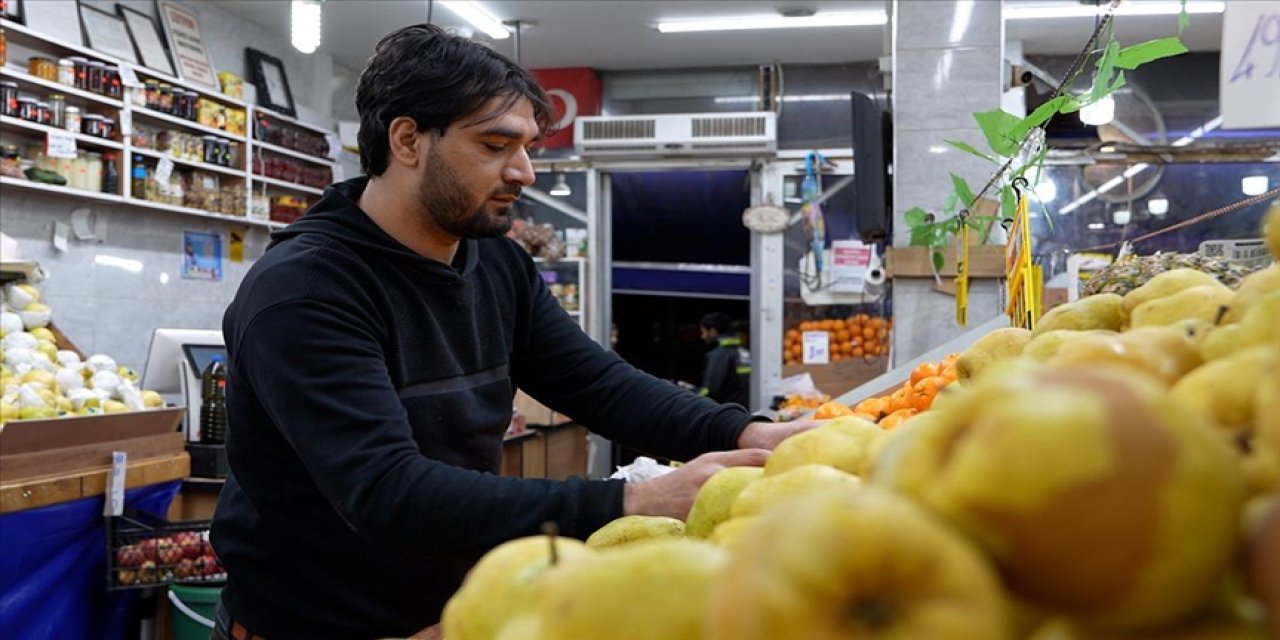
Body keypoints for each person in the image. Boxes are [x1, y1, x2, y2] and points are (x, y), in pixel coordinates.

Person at [209, 23, 809, 640]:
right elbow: (386, 490)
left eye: (527, 148)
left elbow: (598, 384)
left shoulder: (495, 262)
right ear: (409, 139)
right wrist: (633, 501)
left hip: (452, 612)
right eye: (496, 145)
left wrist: (749, 430)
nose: (524, 172)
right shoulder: (308, 288)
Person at [698, 312, 751, 407]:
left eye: (704, 332)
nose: (703, 337)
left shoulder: (719, 355)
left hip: (726, 412)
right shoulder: (744, 352)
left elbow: (710, 390)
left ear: (713, 331)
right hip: (744, 411)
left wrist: (692, 396)